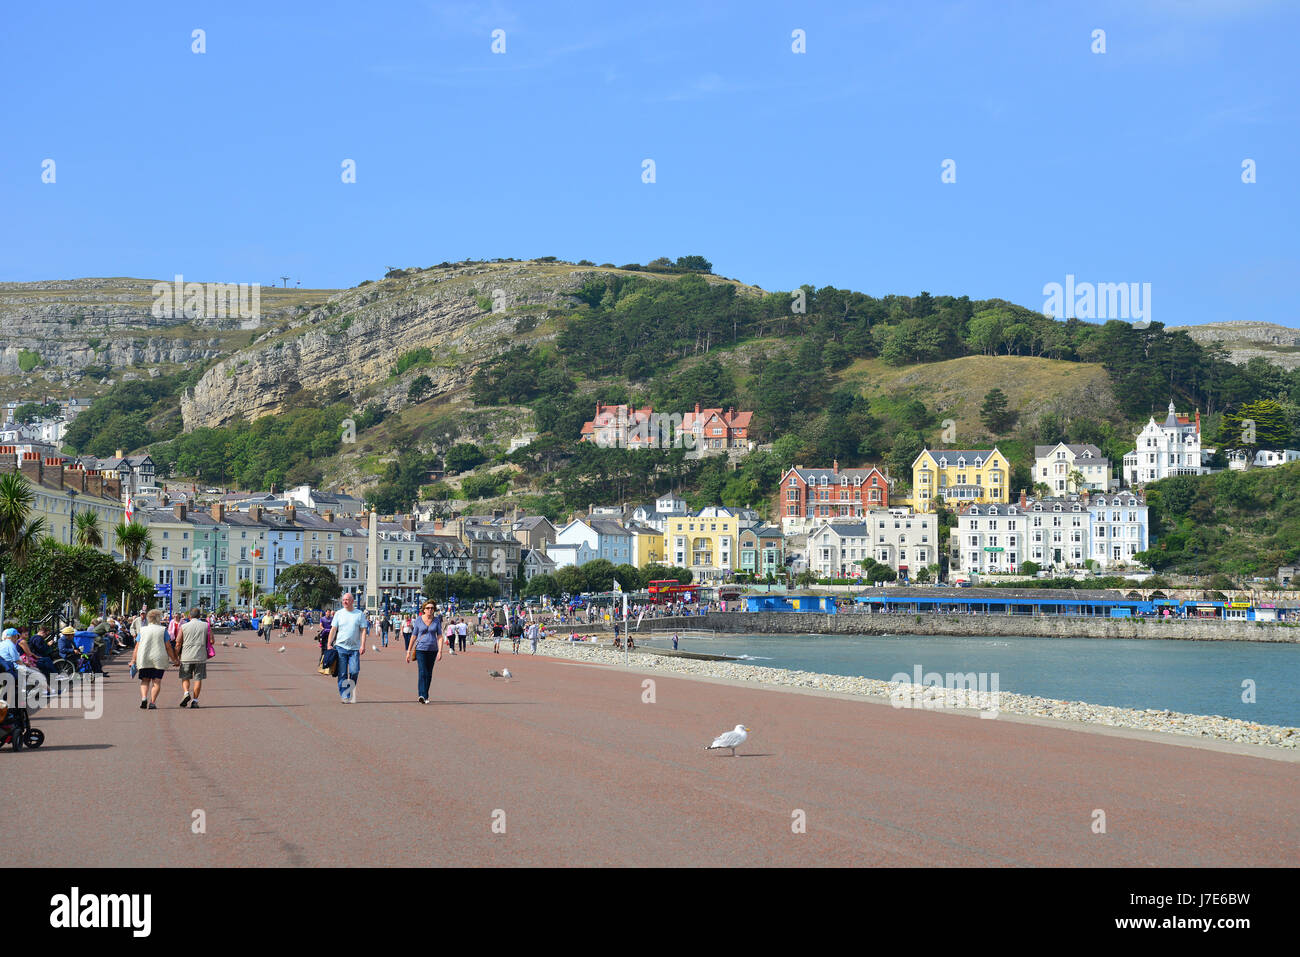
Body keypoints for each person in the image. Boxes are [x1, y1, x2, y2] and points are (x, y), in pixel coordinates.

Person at [131, 609, 179, 709]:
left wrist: (133, 660)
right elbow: (168, 647)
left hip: (144, 658)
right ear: (159, 618)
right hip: (159, 659)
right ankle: (152, 702)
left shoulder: (143, 630)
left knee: (144, 680)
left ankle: (144, 698)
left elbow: (137, 647)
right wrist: (174, 659)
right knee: (156, 682)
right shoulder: (163, 630)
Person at [327, 593, 369, 703]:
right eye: (343, 600)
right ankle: (345, 695)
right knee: (342, 673)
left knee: (354, 671)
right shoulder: (339, 614)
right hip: (340, 647)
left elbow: (363, 630)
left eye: (347, 600)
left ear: (352, 601)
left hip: (354, 648)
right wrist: (329, 643)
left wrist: (363, 645)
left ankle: (349, 689)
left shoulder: (359, 614)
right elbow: (333, 629)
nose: (345, 602)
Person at [406, 601, 444, 704]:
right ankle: (421, 695)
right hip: (420, 649)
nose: (430, 610)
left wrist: (440, 651)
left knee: (429, 673)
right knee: (422, 671)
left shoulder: (436, 621)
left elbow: (440, 636)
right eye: (428, 608)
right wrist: (408, 651)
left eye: (432, 608)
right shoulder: (419, 620)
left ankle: (426, 695)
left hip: (433, 650)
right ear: (424, 609)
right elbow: (413, 636)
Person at [175, 607, 210, 708]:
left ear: (189, 616)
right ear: (199, 616)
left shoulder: (184, 626)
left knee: (185, 677)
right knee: (198, 678)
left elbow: (178, 643)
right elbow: (211, 640)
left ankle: (186, 693)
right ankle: (195, 701)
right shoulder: (205, 625)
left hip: (186, 656)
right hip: (200, 656)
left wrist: (176, 657)